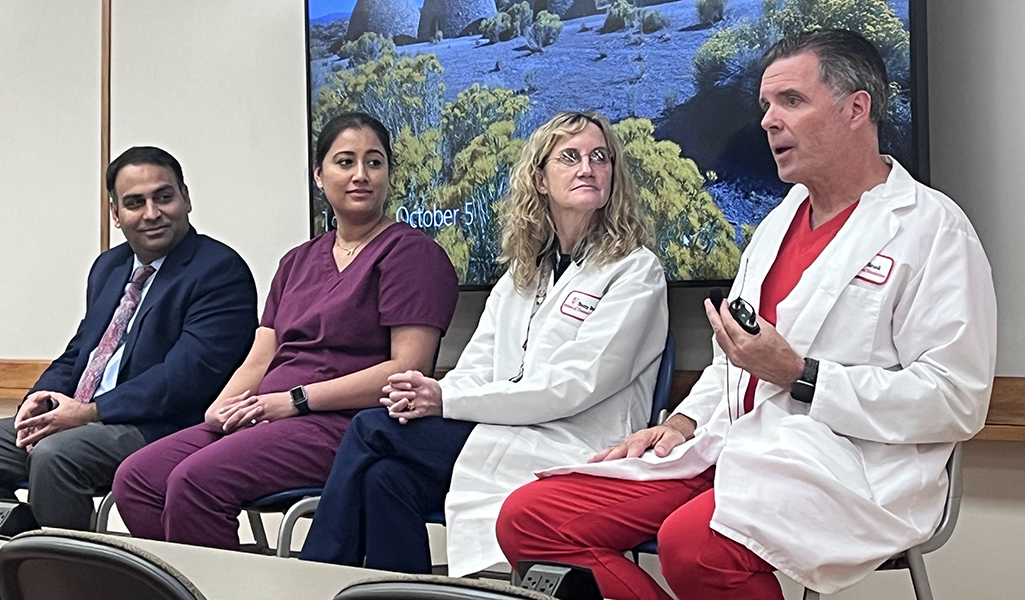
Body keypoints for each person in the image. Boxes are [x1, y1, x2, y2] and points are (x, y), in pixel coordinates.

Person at [497, 30, 997, 600]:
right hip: (733, 448)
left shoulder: (932, 229)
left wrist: (804, 376)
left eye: (791, 101)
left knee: (695, 547)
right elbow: (732, 364)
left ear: (857, 108)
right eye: (765, 105)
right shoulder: (776, 226)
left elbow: (956, 399)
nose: (767, 121)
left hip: (847, 470)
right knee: (529, 518)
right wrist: (680, 424)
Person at [299, 111, 669, 577]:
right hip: (506, 430)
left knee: (372, 429)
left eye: (600, 157)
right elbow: (475, 364)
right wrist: (434, 395)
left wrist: (445, 398)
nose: (587, 168)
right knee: (383, 480)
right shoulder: (522, 275)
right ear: (539, 179)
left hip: (577, 443)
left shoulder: (635, 271)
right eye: (570, 157)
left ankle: (311, 578)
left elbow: (574, 385)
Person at [111, 112, 459, 550]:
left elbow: (407, 369)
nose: (360, 175)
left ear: (389, 172)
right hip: (268, 412)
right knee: (137, 479)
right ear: (319, 175)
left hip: (344, 424)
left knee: (195, 483)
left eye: (374, 162)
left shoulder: (412, 255)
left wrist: (295, 401)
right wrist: (221, 408)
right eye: (345, 162)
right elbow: (261, 356)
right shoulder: (297, 261)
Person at [0, 146, 258, 529]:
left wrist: (89, 412)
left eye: (164, 197)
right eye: (135, 202)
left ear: (186, 199)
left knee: (55, 455)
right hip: (87, 415)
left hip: (165, 424)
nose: (152, 213)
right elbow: (80, 352)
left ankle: (65, 583)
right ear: (116, 215)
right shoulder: (109, 266)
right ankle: (17, 558)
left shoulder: (220, 271)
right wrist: (41, 400)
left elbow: (185, 376)